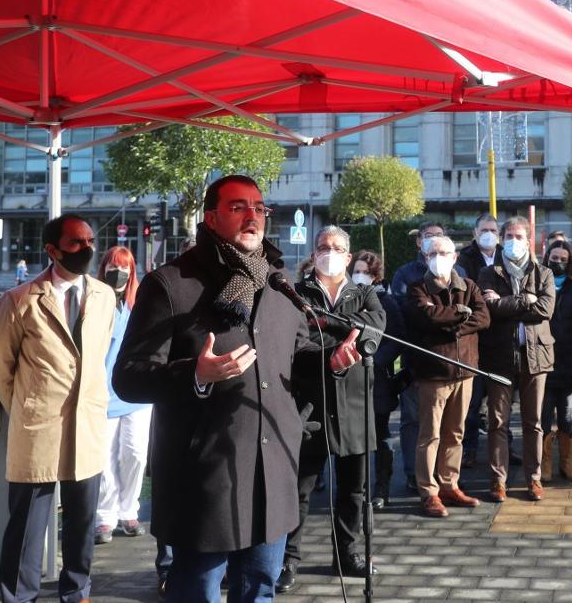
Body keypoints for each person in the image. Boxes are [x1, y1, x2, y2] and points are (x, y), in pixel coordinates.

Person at [113, 176, 353, 603]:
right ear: (211, 217)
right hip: (205, 478)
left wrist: (329, 360)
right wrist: (196, 374)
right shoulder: (171, 284)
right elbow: (129, 377)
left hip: (272, 471)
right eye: (238, 207)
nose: (252, 216)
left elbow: (293, 357)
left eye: (259, 208)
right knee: (198, 592)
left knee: (260, 591)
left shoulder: (278, 282)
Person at [0, 213, 117, 603]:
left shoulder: (104, 296)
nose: (88, 249)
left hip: (89, 428)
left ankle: (77, 591)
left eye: (91, 240)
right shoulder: (18, 301)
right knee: (27, 526)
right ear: (52, 250)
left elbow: (100, 352)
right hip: (37, 429)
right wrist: (28, 406)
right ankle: (19, 596)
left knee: (82, 523)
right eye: (77, 243)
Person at [278, 226, 386, 591]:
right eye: (324, 247)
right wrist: (335, 350)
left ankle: (347, 553)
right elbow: (299, 343)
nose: (330, 252)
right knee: (300, 488)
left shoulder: (365, 292)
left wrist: (330, 328)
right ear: (313, 251)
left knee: (353, 491)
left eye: (338, 247)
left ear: (349, 253)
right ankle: (287, 559)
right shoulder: (297, 294)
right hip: (310, 404)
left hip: (355, 404)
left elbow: (375, 328)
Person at [403, 235, 489, 518]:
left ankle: (450, 484)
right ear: (426, 257)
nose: (439, 257)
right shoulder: (417, 289)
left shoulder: (469, 286)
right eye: (434, 253)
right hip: (433, 373)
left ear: (455, 257)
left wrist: (450, 321)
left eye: (445, 252)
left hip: (465, 372)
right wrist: (459, 316)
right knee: (430, 435)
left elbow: (483, 318)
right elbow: (426, 318)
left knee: (456, 432)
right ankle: (429, 492)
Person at [477, 216, 556, 502]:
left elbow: (545, 310)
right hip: (499, 358)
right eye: (508, 235)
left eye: (518, 236)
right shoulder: (488, 274)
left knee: (533, 421)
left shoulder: (543, 272)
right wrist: (526, 300)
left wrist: (505, 303)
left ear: (528, 240)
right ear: (501, 238)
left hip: (536, 356)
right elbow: (490, 310)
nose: (513, 241)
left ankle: (533, 479)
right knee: (498, 422)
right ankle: (498, 481)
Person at [390, 222, 464, 492]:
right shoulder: (405, 274)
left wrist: (438, 315)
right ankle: (414, 474)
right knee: (414, 421)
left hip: (453, 361)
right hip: (416, 358)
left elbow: (473, 316)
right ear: (419, 243)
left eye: (439, 238)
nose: (434, 243)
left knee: (450, 426)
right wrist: (447, 315)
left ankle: (446, 478)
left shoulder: (461, 273)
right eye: (428, 238)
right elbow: (407, 312)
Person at [94, 246, 149, 546]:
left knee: (135, 454)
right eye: (113, 267)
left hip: (137, 395)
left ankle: (129, 509)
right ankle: (105, 516)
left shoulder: (139, 303)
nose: (118, 273)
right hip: (102, 394)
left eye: (124, 268)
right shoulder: (93, 302)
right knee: (104, 459)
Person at [348, 250, 405, 512]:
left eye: (366, 272)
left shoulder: (386, 302)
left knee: (380, 433)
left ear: (375, 276)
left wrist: (375, 359)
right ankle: (354, 490)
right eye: (356, 270)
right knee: (352, 437)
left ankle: (382, 487)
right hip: (348, 378)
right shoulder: (345, 300)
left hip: (376, 378)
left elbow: (396, 338)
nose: (360, 276)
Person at [539, 240, 572, 483]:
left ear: (570, 262)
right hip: (543, 360)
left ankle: (566, 462)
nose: (557, 262)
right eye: (554, 258)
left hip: (569, 360)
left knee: (566, 414)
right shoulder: (537, 283)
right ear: (546, 258)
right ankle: (545, 462)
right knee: (544, 413)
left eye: (562, 259)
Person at [456, 214, 500, 467]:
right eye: (484, 229)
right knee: (472, 404)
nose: (489, 234)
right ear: (475, 233)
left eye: (493, 230)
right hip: (474, 339)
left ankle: (502, 451)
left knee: (501, 403)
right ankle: (469, 449)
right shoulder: (464, 258)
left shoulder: (505, 255)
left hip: (501, 339)